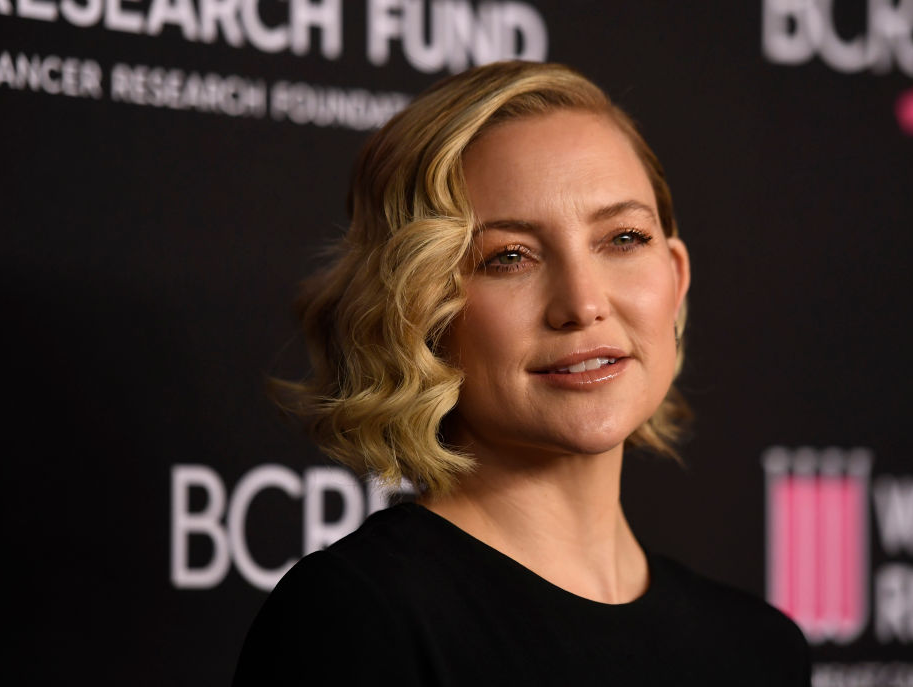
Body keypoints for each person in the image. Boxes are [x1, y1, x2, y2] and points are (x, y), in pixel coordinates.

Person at [233, 60, 811, 686]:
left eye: (623, 238)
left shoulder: (762, 650)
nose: (583, 303)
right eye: (509, 256)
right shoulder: (353, 623)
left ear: (675, 279)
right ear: (417, 310)